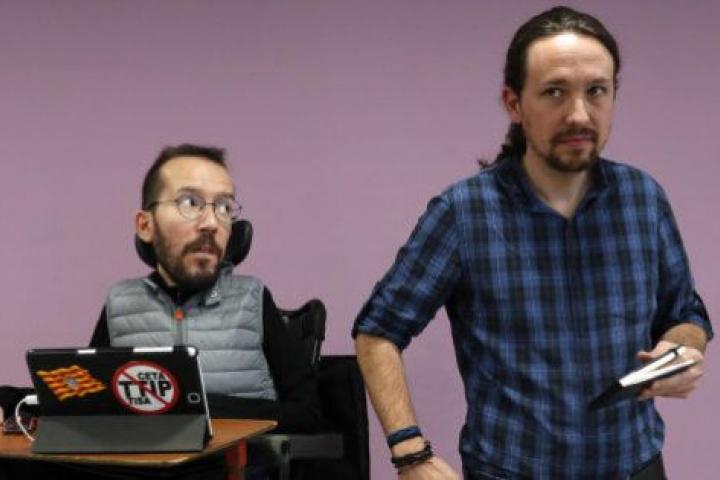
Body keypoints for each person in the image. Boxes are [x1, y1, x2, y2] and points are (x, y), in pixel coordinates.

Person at [352, 6, 712, 480]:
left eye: (596, 91)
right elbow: (377, 332)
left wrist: (681, 352)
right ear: (514, 103)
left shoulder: (643, 198)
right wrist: (410, 454)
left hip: (637, 467)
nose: (578, 114)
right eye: (554, 92)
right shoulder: (464, 212)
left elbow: (686, 313)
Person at [90, 143, 323, 435]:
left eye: (224, 207)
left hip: (237, 459)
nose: (212, 223)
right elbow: (84, 409)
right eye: (190, 203)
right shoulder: (120, 303)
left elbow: (307, 413)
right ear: (145, 225)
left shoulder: (252, 298)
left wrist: (200, 408)